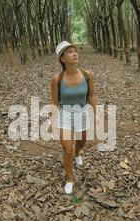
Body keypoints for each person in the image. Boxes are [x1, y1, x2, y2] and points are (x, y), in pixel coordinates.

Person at [50, 41, 97, 195]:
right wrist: (53, 120)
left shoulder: (87, 75)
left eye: (75, 51)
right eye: (69, 52)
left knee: (81, 141)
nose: (74, 54)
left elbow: (92, 95)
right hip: (65, 115)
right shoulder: (57, 79)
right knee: (67, 149)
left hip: (82, 113)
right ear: (62, 59)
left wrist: (95, 114)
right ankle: (70, 178)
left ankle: (78, 153)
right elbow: (55, 102)